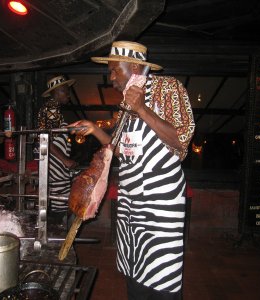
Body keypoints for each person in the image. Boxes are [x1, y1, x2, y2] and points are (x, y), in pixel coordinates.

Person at [69, 41, 195, 300]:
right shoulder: (124, 106)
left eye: (115, 70)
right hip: (130, 202)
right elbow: (120, 150)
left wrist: (142, 109)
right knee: (134, 270)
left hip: (160, 204)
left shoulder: (167, 88)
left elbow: (182, 139)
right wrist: (94, 129)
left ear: (136, 67)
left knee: (161, 275)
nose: (111, 77)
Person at [37, 75, 78, 226]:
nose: (68, 94)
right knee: (59, 214)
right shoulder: (51, 108)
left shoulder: (53, 109)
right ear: (55, 92)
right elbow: (43, 139)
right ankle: (58, 243)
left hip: (56, 171)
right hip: (56, 172)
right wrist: (65, 160)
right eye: (64, 91)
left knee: (58, 209)